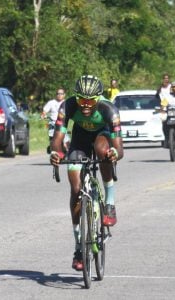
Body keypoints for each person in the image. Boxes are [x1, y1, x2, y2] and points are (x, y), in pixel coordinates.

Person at [49, 75, 124, 271]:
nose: (86, 105)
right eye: (82, 99)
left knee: (103, 151)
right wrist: (56, 153)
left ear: (98, 99)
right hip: (80, 138)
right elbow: (57, 138)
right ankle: (79, 247)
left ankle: (109, 202)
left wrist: (113, 153)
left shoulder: (110, 110)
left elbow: (119, 149)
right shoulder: (68, 106)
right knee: (75, 189)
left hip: (103, 135)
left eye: (90, 100)